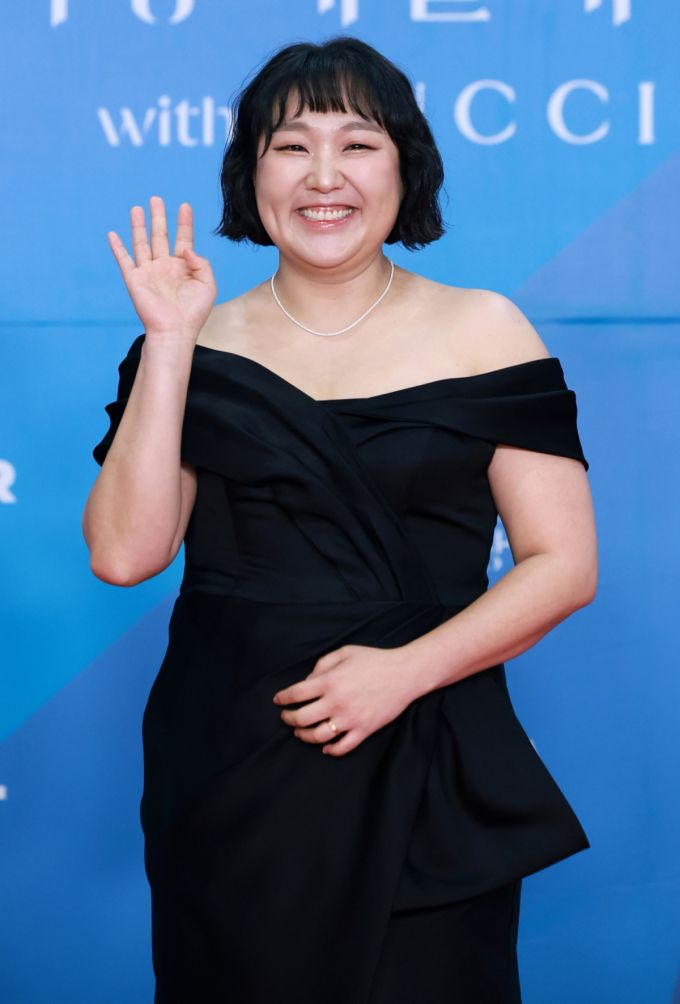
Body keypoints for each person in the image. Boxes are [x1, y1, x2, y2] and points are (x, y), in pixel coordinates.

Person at [82, 35, 597, 1004]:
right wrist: (169, 343)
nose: (324, 176)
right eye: (291, 146)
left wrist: (404, 672)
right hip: (230, 764)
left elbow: (562, 564)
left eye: (357, 144)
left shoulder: (484, 329)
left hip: (424, 752)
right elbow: (124, 554)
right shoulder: (194, 342)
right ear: (250, 173)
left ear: (406, 166)